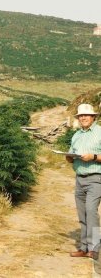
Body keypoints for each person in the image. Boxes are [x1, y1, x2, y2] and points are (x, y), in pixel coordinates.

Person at [66, 103, 101, 259]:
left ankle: (94, 249)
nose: (83, 118)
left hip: (96, 178)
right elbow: (71, 157)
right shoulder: (76, 135)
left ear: (93, 117)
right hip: (79, 179)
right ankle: (84, 248)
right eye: (81, 116)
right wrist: (68, 156)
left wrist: (93, 157)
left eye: (86, 115)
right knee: (82, 214)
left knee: (91, 212)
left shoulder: (100, 132)